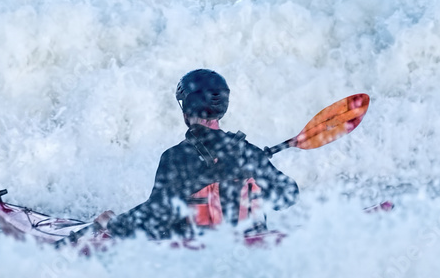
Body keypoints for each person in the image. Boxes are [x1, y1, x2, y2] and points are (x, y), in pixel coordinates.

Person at [96, 69, 299, 240]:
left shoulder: (176, 157)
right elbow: (288, 196)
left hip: (198, 261)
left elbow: (155, 216)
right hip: (253, 257)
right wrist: (253, 170)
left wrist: (114, 224)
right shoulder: (248, 152)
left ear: (187, 108)